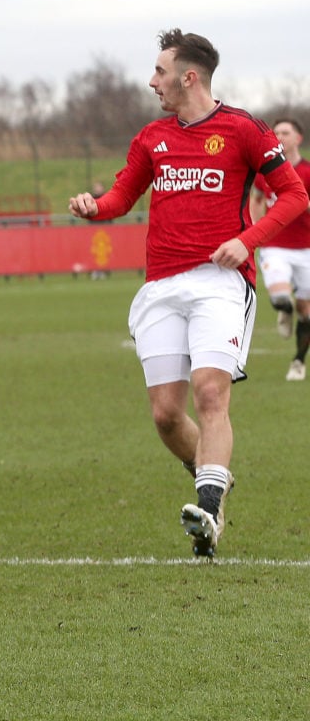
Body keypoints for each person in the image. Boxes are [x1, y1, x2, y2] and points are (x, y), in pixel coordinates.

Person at [68, 29, 308, 559]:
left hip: (219, 284)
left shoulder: (244, 129)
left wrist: (247, 243)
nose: (152, 81)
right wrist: (93, 206)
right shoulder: (150, 138)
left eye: (160, 71)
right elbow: (121, 197)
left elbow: (293, 195)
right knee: (165, 415)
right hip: (161, 287)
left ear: (188, 76)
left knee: (210, 393)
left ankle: (209, 505)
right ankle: (213, 475)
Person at [249, 118, 310, 381]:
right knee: (281, 297)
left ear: (298, 138)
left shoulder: (308, 171)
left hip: (306, 247)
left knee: (306, 310)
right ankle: (283, 309)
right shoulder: (265, 173)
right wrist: (254, 230)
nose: (280, 136)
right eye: (276, 133)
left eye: (286, 132)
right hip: (275, 246)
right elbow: (257, 199)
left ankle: (298, 361)